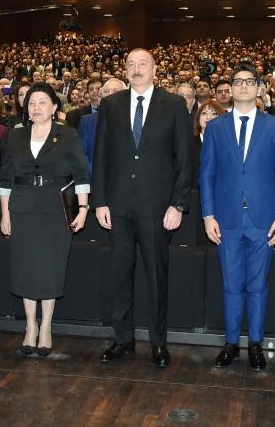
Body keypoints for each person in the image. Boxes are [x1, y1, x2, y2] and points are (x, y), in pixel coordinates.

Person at [93, 48, 193, 369]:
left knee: (156, 278)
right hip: (118, 206)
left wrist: (178, 203)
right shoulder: (111, 105)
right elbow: (102, 157)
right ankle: (122, 339)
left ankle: (158, 343)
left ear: (154, 69)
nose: (136, 69)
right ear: (125, 70)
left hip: (157, 208)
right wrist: (100, 201)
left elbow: (184, 160)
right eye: (131, 64)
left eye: (142, 64)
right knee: (120, 277)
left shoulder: (174, 105)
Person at [200, 64, 275, 371]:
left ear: (259, 88)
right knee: (230, 284)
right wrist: (207, 214)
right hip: (225, 219)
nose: (242, 86)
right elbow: (207, 175)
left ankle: (255, 344)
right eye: (237, 82)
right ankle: (230, 344)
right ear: (227, 89)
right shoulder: (215, 128)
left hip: (263, 220)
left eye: (249, 82)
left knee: (257, 285)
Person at [0, 84, 90, 356]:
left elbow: (81, 175)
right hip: (22, 208)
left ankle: (46, 327)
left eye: (42, 102)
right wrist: (5, 214)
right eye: (31, 103)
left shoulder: (67, 134)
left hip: (55, 210)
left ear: (54, 108)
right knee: (26, 268)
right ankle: (30, 327)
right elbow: (6, 178)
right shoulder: (16, 136)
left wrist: (82, 209)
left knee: (50, 268)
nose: (35, 107)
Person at [78, 78, 126, 178]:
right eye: (106, 91)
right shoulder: (87, 121)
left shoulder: (135, 121)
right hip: (96, 182)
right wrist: (97, 177)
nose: (110, 94)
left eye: (115, 91)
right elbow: (82, 155)